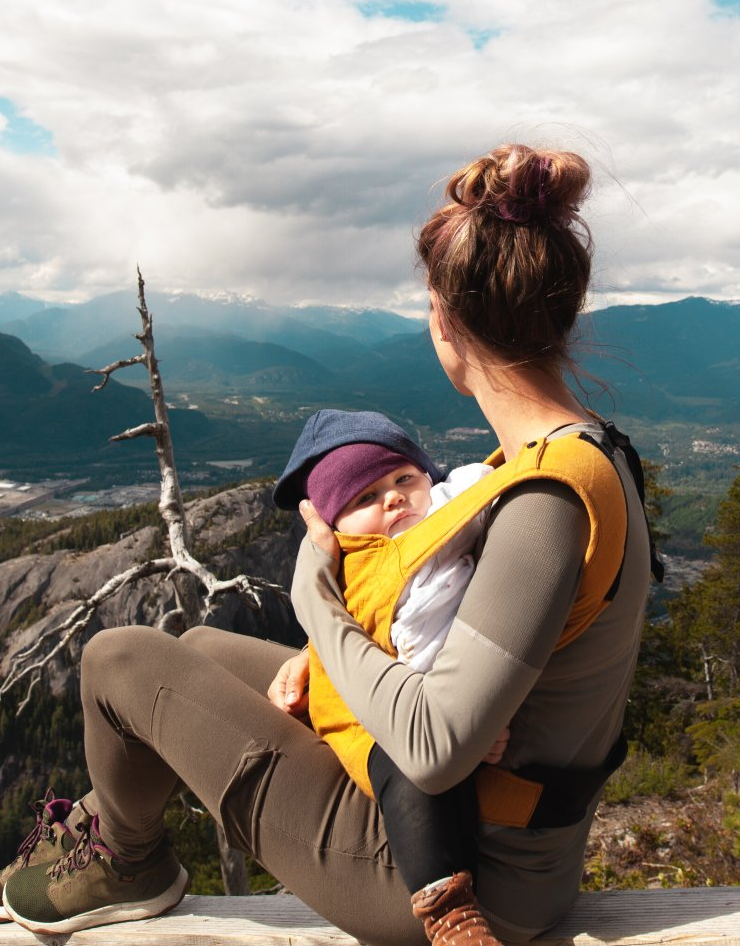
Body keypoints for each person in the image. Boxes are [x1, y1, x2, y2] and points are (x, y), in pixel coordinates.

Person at [1, 143, 651, 946]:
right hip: (495, 838)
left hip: (454, 875)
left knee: (118, 660)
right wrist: (337, 646)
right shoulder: (574, 457)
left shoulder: (546, 503)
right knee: (200, 644)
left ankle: (127, 860)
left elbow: (437, 747)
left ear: (446, 323)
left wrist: (319, 597)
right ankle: (103, 834)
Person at [273, 409, 505, 945]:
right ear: (334, 526)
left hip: (455, 694)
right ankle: (449, 912)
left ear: (430, 477)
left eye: (405, 479)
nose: (394, 498)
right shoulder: (359, 566)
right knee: (412, 774)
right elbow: (362, 630)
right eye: (365, 497)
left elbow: (492, 480)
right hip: (372, 716)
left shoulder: (453, 508)